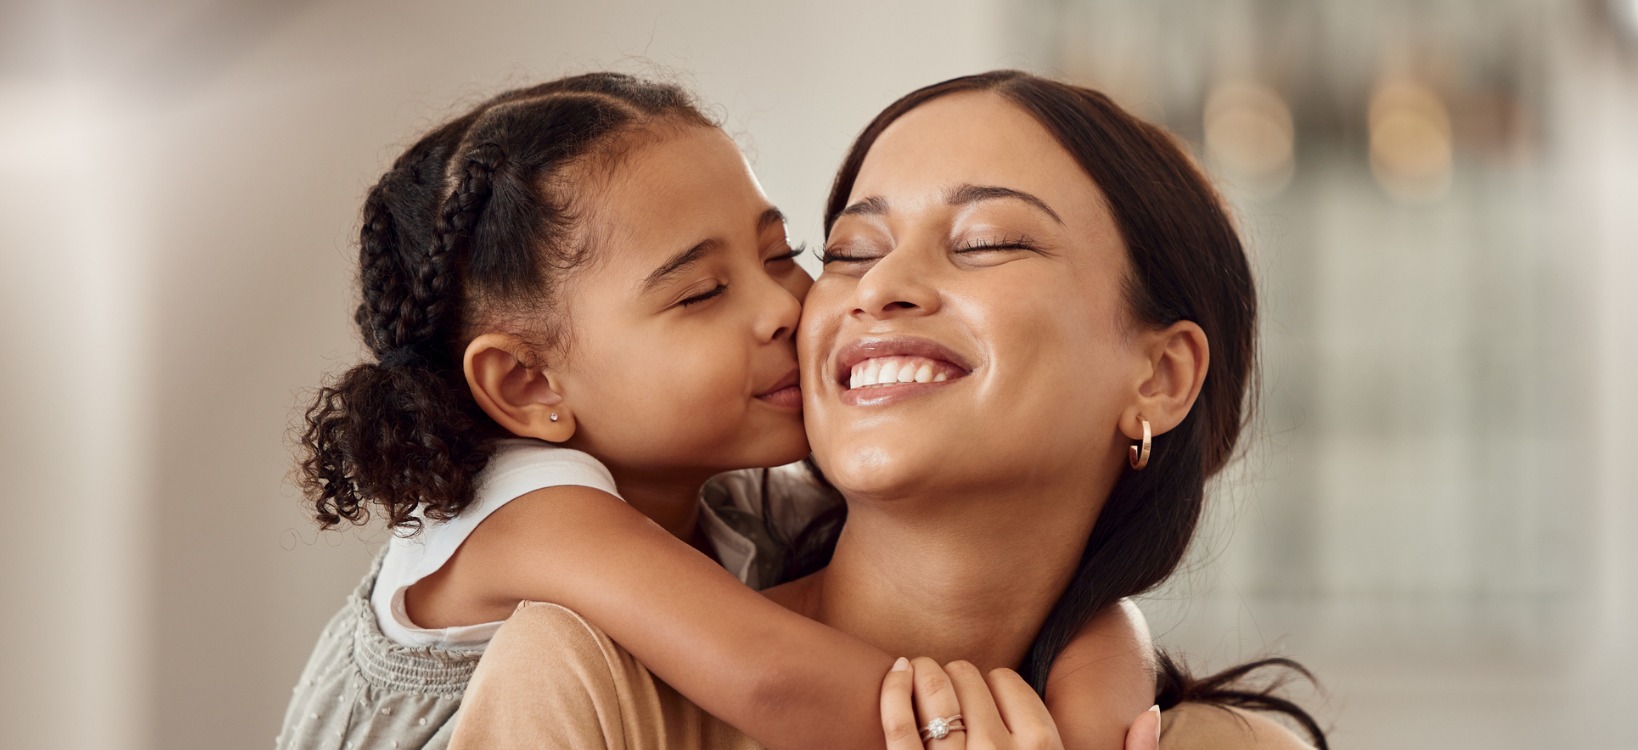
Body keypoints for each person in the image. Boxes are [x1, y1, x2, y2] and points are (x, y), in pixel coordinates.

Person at [450, 70, 1328, 749]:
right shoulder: (590, 676)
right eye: (849, 249)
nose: (880, 287)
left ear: (1161, 377)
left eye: (986, 242)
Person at [280, 72, 1153, 750]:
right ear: (529, 386)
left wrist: (1093, 701)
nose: (784, 308)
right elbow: (774, 682)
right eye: (701, 293)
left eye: (786, 254)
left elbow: (1067, 602)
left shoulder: (739, 509)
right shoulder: (525, 517)